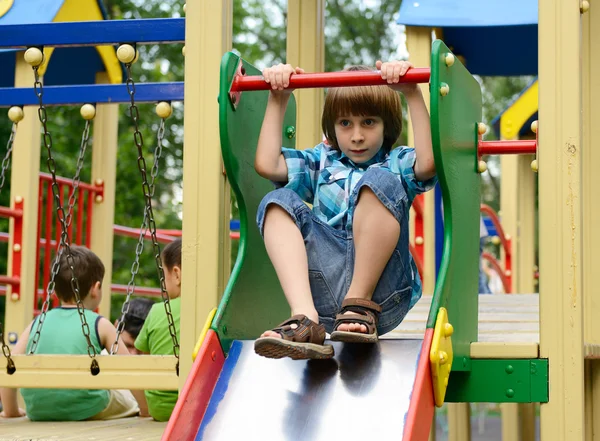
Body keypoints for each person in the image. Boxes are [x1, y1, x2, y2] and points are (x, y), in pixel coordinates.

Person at [253, 61, 436, 360]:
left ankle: (359, 302)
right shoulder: (321, 161)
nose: (357, 136)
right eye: (345, 123)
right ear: (332, 127)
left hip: (381, 295)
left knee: (379, 181)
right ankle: (305, 318)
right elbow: (267, 164)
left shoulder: (396, 163)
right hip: (325, 294)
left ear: (386, 125)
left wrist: (411, 93)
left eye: (368, 122)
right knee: (276, 202)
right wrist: (279, 98)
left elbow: (428, 164)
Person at [0, 246, 148, 421]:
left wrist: (11, 411)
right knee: (126, 399)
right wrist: (145, 410)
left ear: (55, 290)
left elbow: (9, 368)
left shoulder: (37, 322)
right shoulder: (100, 324)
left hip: (39, 410)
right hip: (89, 408)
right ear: (96, 288)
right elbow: (129, 371)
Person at [134, 238, 181, 422]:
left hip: (159, 409)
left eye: (164, 274)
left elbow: (144, 352)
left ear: (176, 275)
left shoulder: (156, 311)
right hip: (198, 407)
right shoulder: (213, 311)